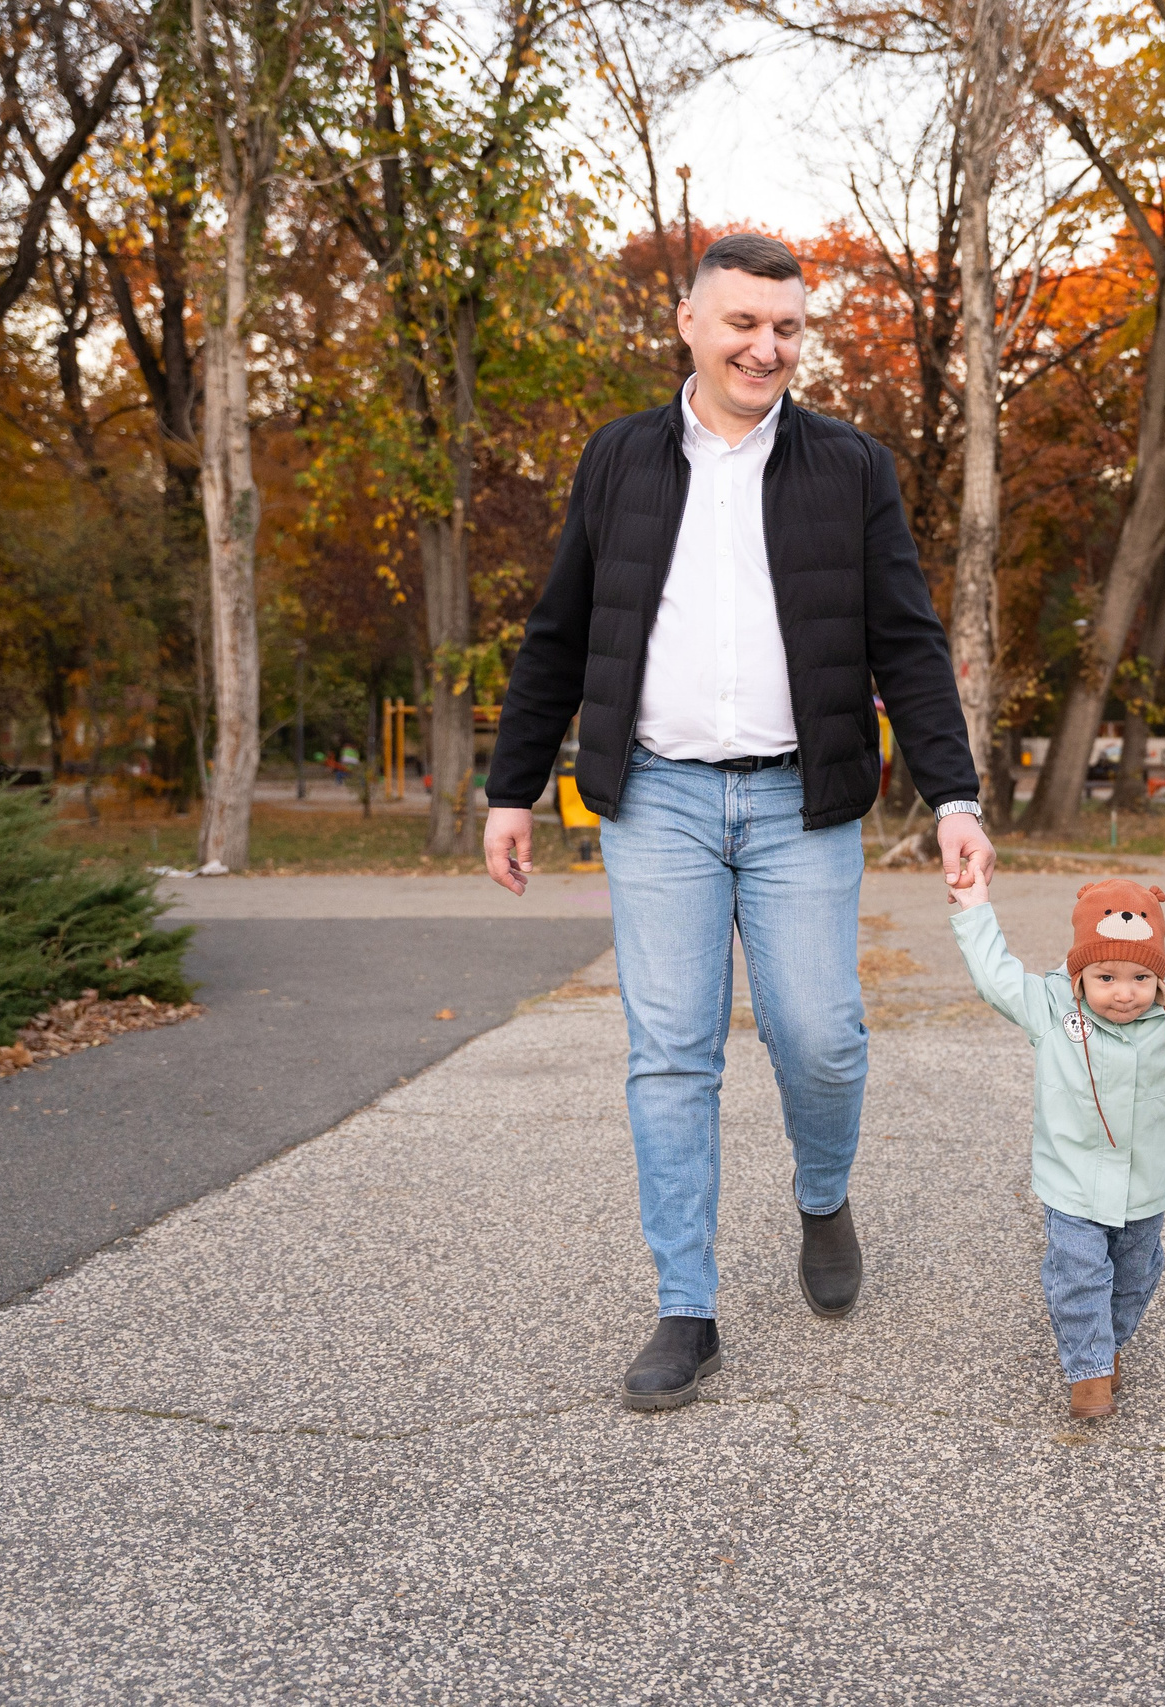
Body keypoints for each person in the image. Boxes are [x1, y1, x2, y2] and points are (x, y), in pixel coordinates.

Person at [480, 233, 995, 1412]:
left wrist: (953, 794)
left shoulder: (847, 467)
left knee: (819, 1036)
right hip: (654, 794)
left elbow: (907, 640)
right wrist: (513, 788)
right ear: (688, 323)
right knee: (670, 1052)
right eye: (742, 323)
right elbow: (560, 633)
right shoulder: (618, 460)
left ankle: (822, 1196)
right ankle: (687, 1306)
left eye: (787, 328)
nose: (766, 347)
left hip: (798, 796)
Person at [948, 875, 1165, 1419]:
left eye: (1140, 977)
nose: (1124, 992)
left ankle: (1107, 1342)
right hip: (1071, 1182)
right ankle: (1088, 1371)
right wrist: (974, 908)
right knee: (1079, 1271)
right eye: (1105, 977)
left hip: (1148, 1183)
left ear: (1159, 976)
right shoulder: (1051, 1012)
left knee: (1136, 1273)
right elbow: (996, 978)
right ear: (1079, 975)